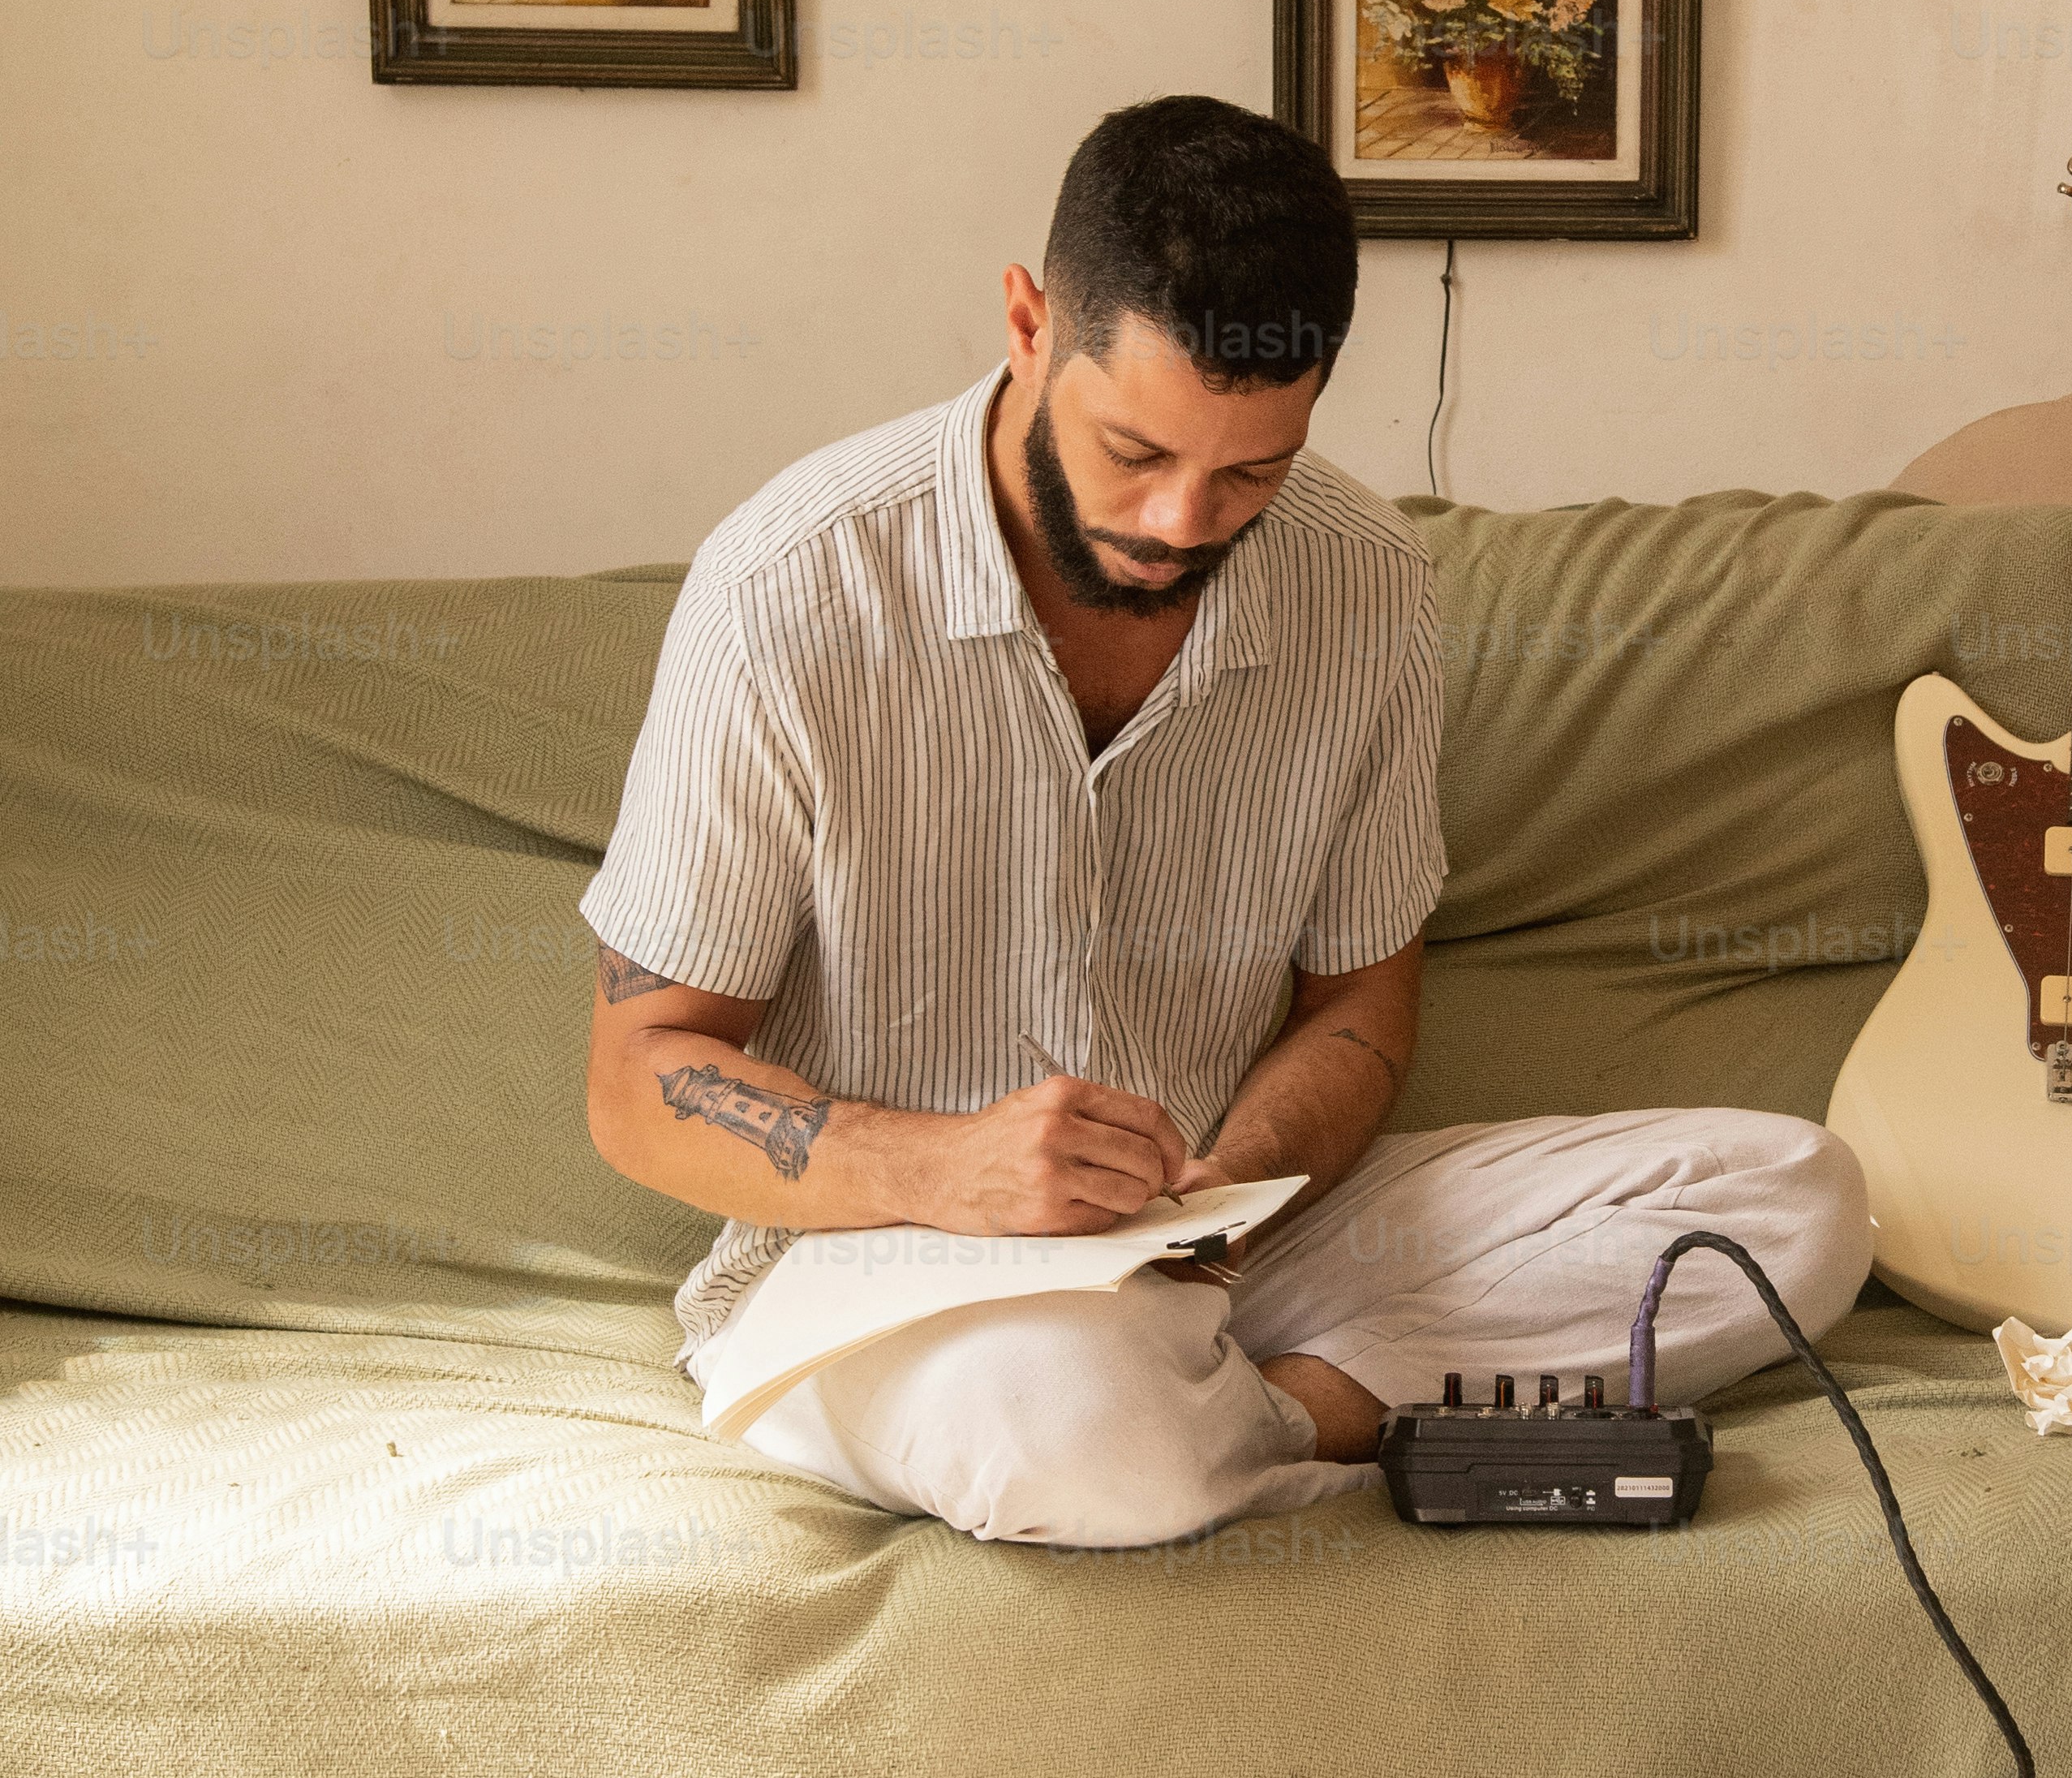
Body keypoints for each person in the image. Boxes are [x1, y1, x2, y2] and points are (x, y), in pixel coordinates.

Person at [582, 96, 1870, 1546]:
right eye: (1134, 448)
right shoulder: (791, 591)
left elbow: (1364, 1008)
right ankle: (1216, 1430)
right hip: (889, 1264)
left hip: (1229, 1245)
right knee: (1070, 1426)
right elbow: (639, 1076)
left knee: (1791, 1203)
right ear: (1026, 323)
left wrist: (1233, 1195)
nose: (1184, 522)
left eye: (1250, 470)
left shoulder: (1364, 584)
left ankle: (1255, 1420)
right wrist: (949, 1169)